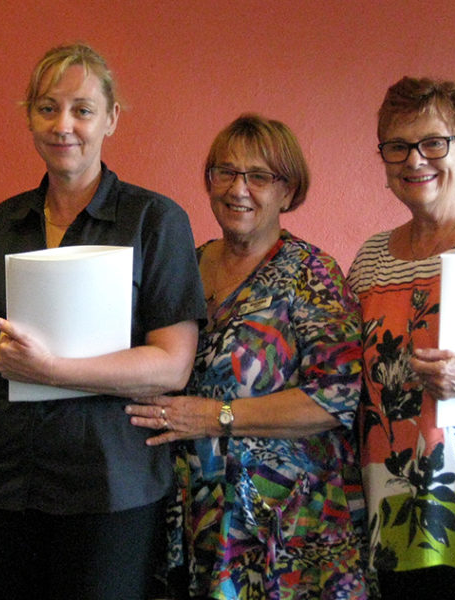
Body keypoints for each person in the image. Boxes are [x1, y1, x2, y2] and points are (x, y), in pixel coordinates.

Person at [0, 43, 205, 600]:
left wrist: (51, 370)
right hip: (11, 484)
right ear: (29, 118)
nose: (64, 125)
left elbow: (172, 366)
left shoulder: (155, 220)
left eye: (82, 109)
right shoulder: (4, 222)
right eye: (47, 108)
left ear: (111, 119)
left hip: (111, 490)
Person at [126, 114, 369, 599]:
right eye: (226, 172)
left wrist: (217, 416)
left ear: (287, 191)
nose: (239, 189)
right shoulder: (187, 264)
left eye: (259, 176)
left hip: (285, 524)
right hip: (190, 516)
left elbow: (335, 398)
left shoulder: (312, 274)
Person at [347, 76, 455, 599]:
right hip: (393, 504)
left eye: (433, 143)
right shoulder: (371, 259)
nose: (415, 159)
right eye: (397, 146)